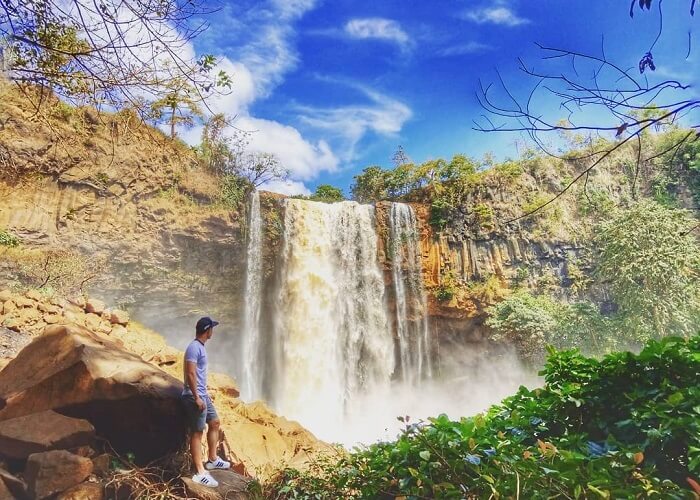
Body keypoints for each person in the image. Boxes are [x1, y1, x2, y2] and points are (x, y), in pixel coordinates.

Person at [182, 316, 230, 488]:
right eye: (212, 329)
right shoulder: (194, 348)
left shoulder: (200, 347)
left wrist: (204, 394)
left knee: (215, 422)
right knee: (197, 432)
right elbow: (190, 373)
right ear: (207, 330)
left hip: (203, 394)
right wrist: (196, 397)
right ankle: (199, 472)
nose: (213, 332)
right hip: (195, 396)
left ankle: (212, 459)